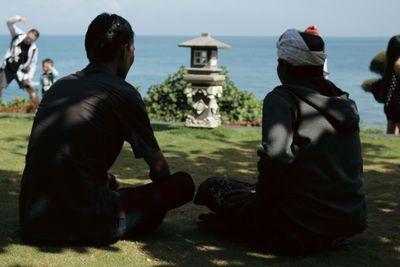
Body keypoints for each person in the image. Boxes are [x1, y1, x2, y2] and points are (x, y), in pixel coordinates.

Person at [19, 13, 195, 246]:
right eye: (132, 49)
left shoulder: (61, 86)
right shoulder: (123, 93)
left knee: (110, 183)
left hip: (32, 220)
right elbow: (161, 171)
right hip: (88, 222)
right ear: (124, 50)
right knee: (182, 184)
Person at [194, 29, 367, 254]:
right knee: (251, 195)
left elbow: (276, 159)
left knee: (213, 187)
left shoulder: (282, 99)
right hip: (349, 218)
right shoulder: (345, 103)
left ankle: (261, 230)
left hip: (300, 218)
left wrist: (259, 199)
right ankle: (323, 236)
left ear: (284, 66)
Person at [0, 15, 39, 105]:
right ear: (28, 33)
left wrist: (30, 77)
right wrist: (19, 18)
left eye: (33, 38)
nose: (30, 39)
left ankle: (39, 109)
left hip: (21, 72)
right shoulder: (18, 35)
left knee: (30, 88)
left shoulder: (34, 48)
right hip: (7, 68)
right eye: (30, 36)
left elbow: (33, 64)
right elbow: (8, 23)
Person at [371, 35, 400, 134]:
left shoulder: (390, 62)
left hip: (390, 102)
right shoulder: (398, 64)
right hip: (397, 102)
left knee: (391, 132)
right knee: (395, 134)